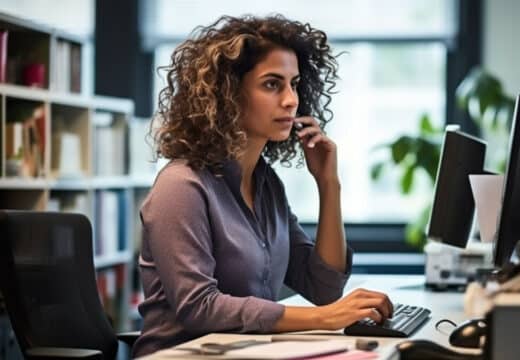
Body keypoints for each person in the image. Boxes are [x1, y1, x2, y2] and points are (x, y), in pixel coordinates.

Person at [132, 14, 393, 357]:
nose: (291, 100)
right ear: (227, 94)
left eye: (294, 84)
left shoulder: (266, 184)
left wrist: (329, 185)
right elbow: (199, 307)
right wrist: (325, 317)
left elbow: (323, 286)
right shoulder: (181, 186)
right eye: (272, 84)